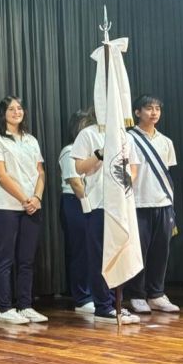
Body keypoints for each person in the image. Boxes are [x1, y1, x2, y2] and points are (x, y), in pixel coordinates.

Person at [0, 96, 48, 325]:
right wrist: (24, 199)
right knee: (5, 260)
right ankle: (5, 308)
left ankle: (25, 305)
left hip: (32, 206)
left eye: (19, 108)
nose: (16, 112)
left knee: (26, 260)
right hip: (6, 207)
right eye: (11, 109)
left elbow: (40, 172)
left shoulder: (31, 140)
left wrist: (37, 197)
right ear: (3, 114)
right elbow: (1, 176)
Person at [72, 118, 141, 324]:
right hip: (98, 204)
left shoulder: (126, 136)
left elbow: (134, 166)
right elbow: (79, 167)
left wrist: (127, 183)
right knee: (99, 256)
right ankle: (103, 306)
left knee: (119, 253)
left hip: (121, 205)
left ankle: (116, 303)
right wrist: (100, 154)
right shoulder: (88, 134)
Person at [125, 95, 179, 313]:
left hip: (163, 203)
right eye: (149, 108)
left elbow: (168, 174)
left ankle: (156, 293)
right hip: (138, 203)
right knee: (139, 252)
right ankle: (137, 295)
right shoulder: (129, 138)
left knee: (161, 251)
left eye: (157, 108)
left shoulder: (166, 141)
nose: (154, 112)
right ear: (137, 112)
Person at [58, 107, 95, 313]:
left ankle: (94, 293)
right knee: (80, 251)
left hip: (91, 204)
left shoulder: (91, 154)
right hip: (76, 203)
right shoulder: (69, 150)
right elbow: (75, 182)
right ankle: (82, 297)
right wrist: (89, 207)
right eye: (85, 126)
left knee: (93, 251)